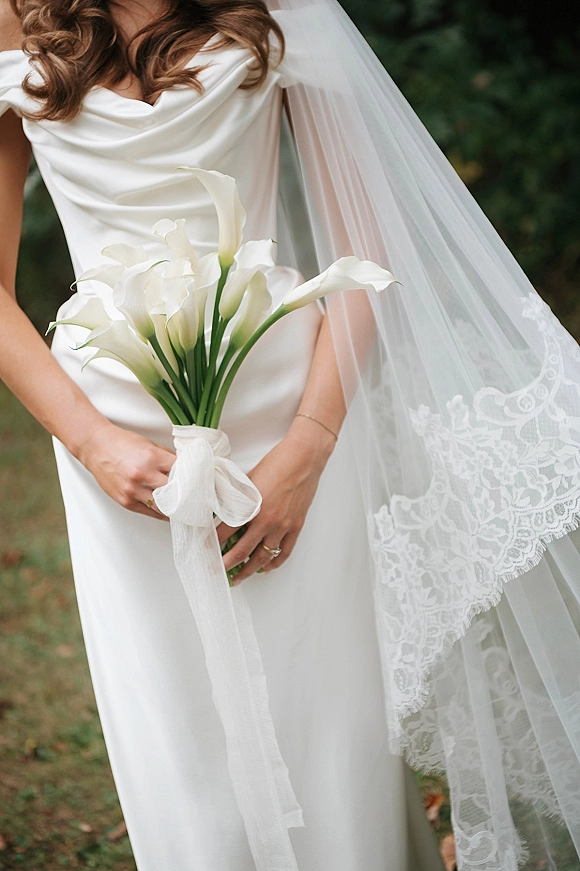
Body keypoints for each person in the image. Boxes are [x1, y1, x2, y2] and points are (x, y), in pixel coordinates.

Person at [2, 1, 580, 870]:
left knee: (326, 713)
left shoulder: (273, 7)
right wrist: (92, 443)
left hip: (289, 411)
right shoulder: (14, 15)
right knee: (181, 733)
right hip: (116, 441)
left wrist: (309, 447)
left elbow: (364, 246)